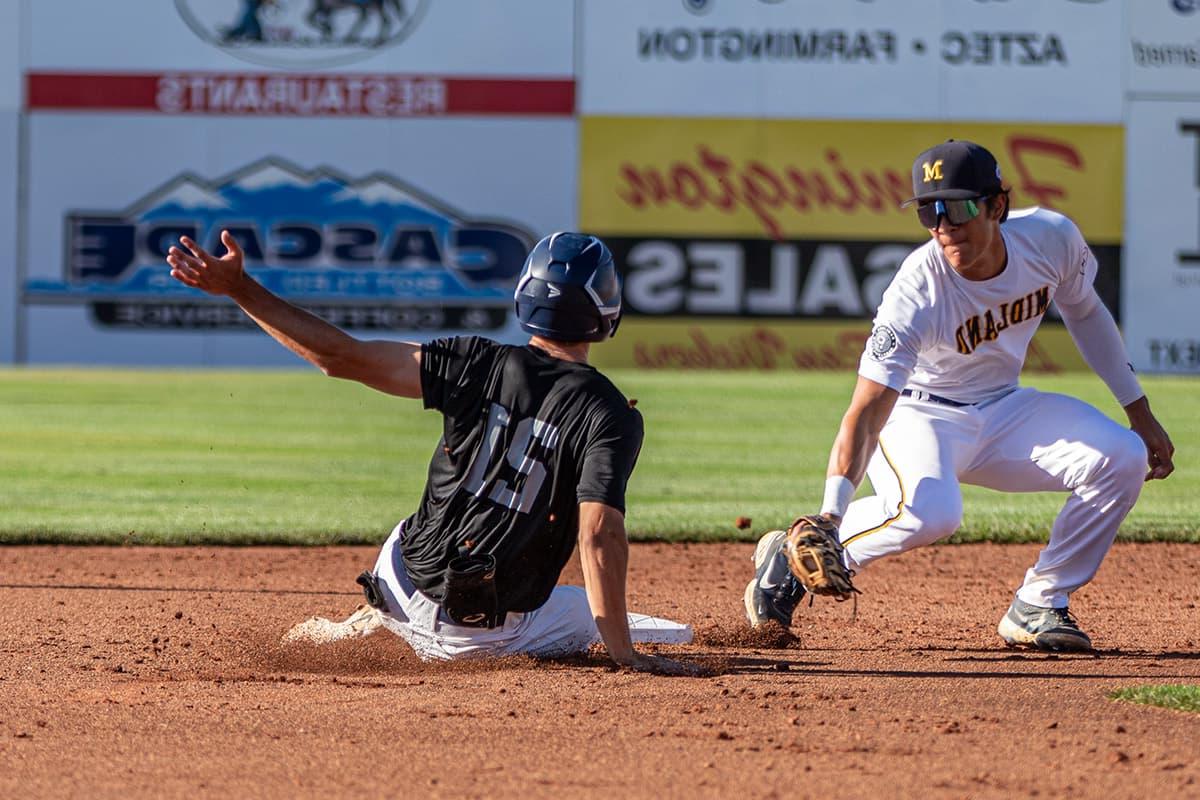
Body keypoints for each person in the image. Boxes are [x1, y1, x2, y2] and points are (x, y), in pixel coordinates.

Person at [167, 230, 695, 674]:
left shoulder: (473, 360)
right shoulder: (609, 414)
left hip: (398, 579)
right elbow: (598, 535)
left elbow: (339, 356)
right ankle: (629, 645)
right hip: (477, 641)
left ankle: (379, 617)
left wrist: (239, 289)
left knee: (429, 515)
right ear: (607, 310)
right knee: (619, 623)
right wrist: (624, 656)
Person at [745, 139, 1175, 652]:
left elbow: (1086, 313)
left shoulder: (1051, 239)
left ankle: (1040, 602)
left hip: (1004, 408)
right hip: (918, 413)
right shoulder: (916, 291)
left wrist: (1139, 412)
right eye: (929, 210)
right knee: (933, 513)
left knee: (1122, 457)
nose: (943, 224)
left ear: (998, 206)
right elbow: (866, 411)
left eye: (959, 207)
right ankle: (786, 568)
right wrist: (829, 516)